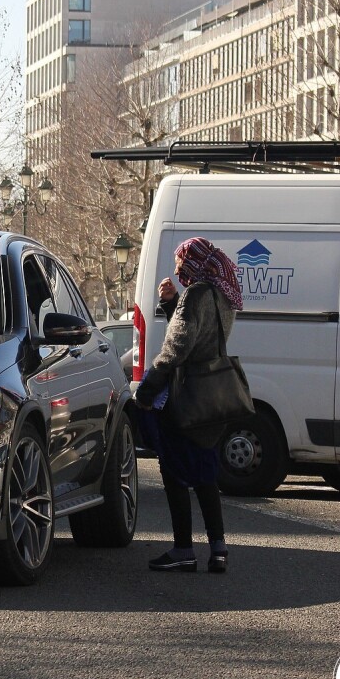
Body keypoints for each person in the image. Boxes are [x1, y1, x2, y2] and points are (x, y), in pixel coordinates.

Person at [133, 236, 243, 575]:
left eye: (181, 261)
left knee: (175, 472)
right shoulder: (221, 293)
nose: (178, 267)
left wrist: (148, 389)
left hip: (186, 396)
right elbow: (205, 335)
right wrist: (172, 305)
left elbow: (178, 347)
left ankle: (183, 549)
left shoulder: (196, 295)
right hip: (212, 395)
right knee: (206, 475)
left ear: (195, 263)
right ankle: (218, 548)